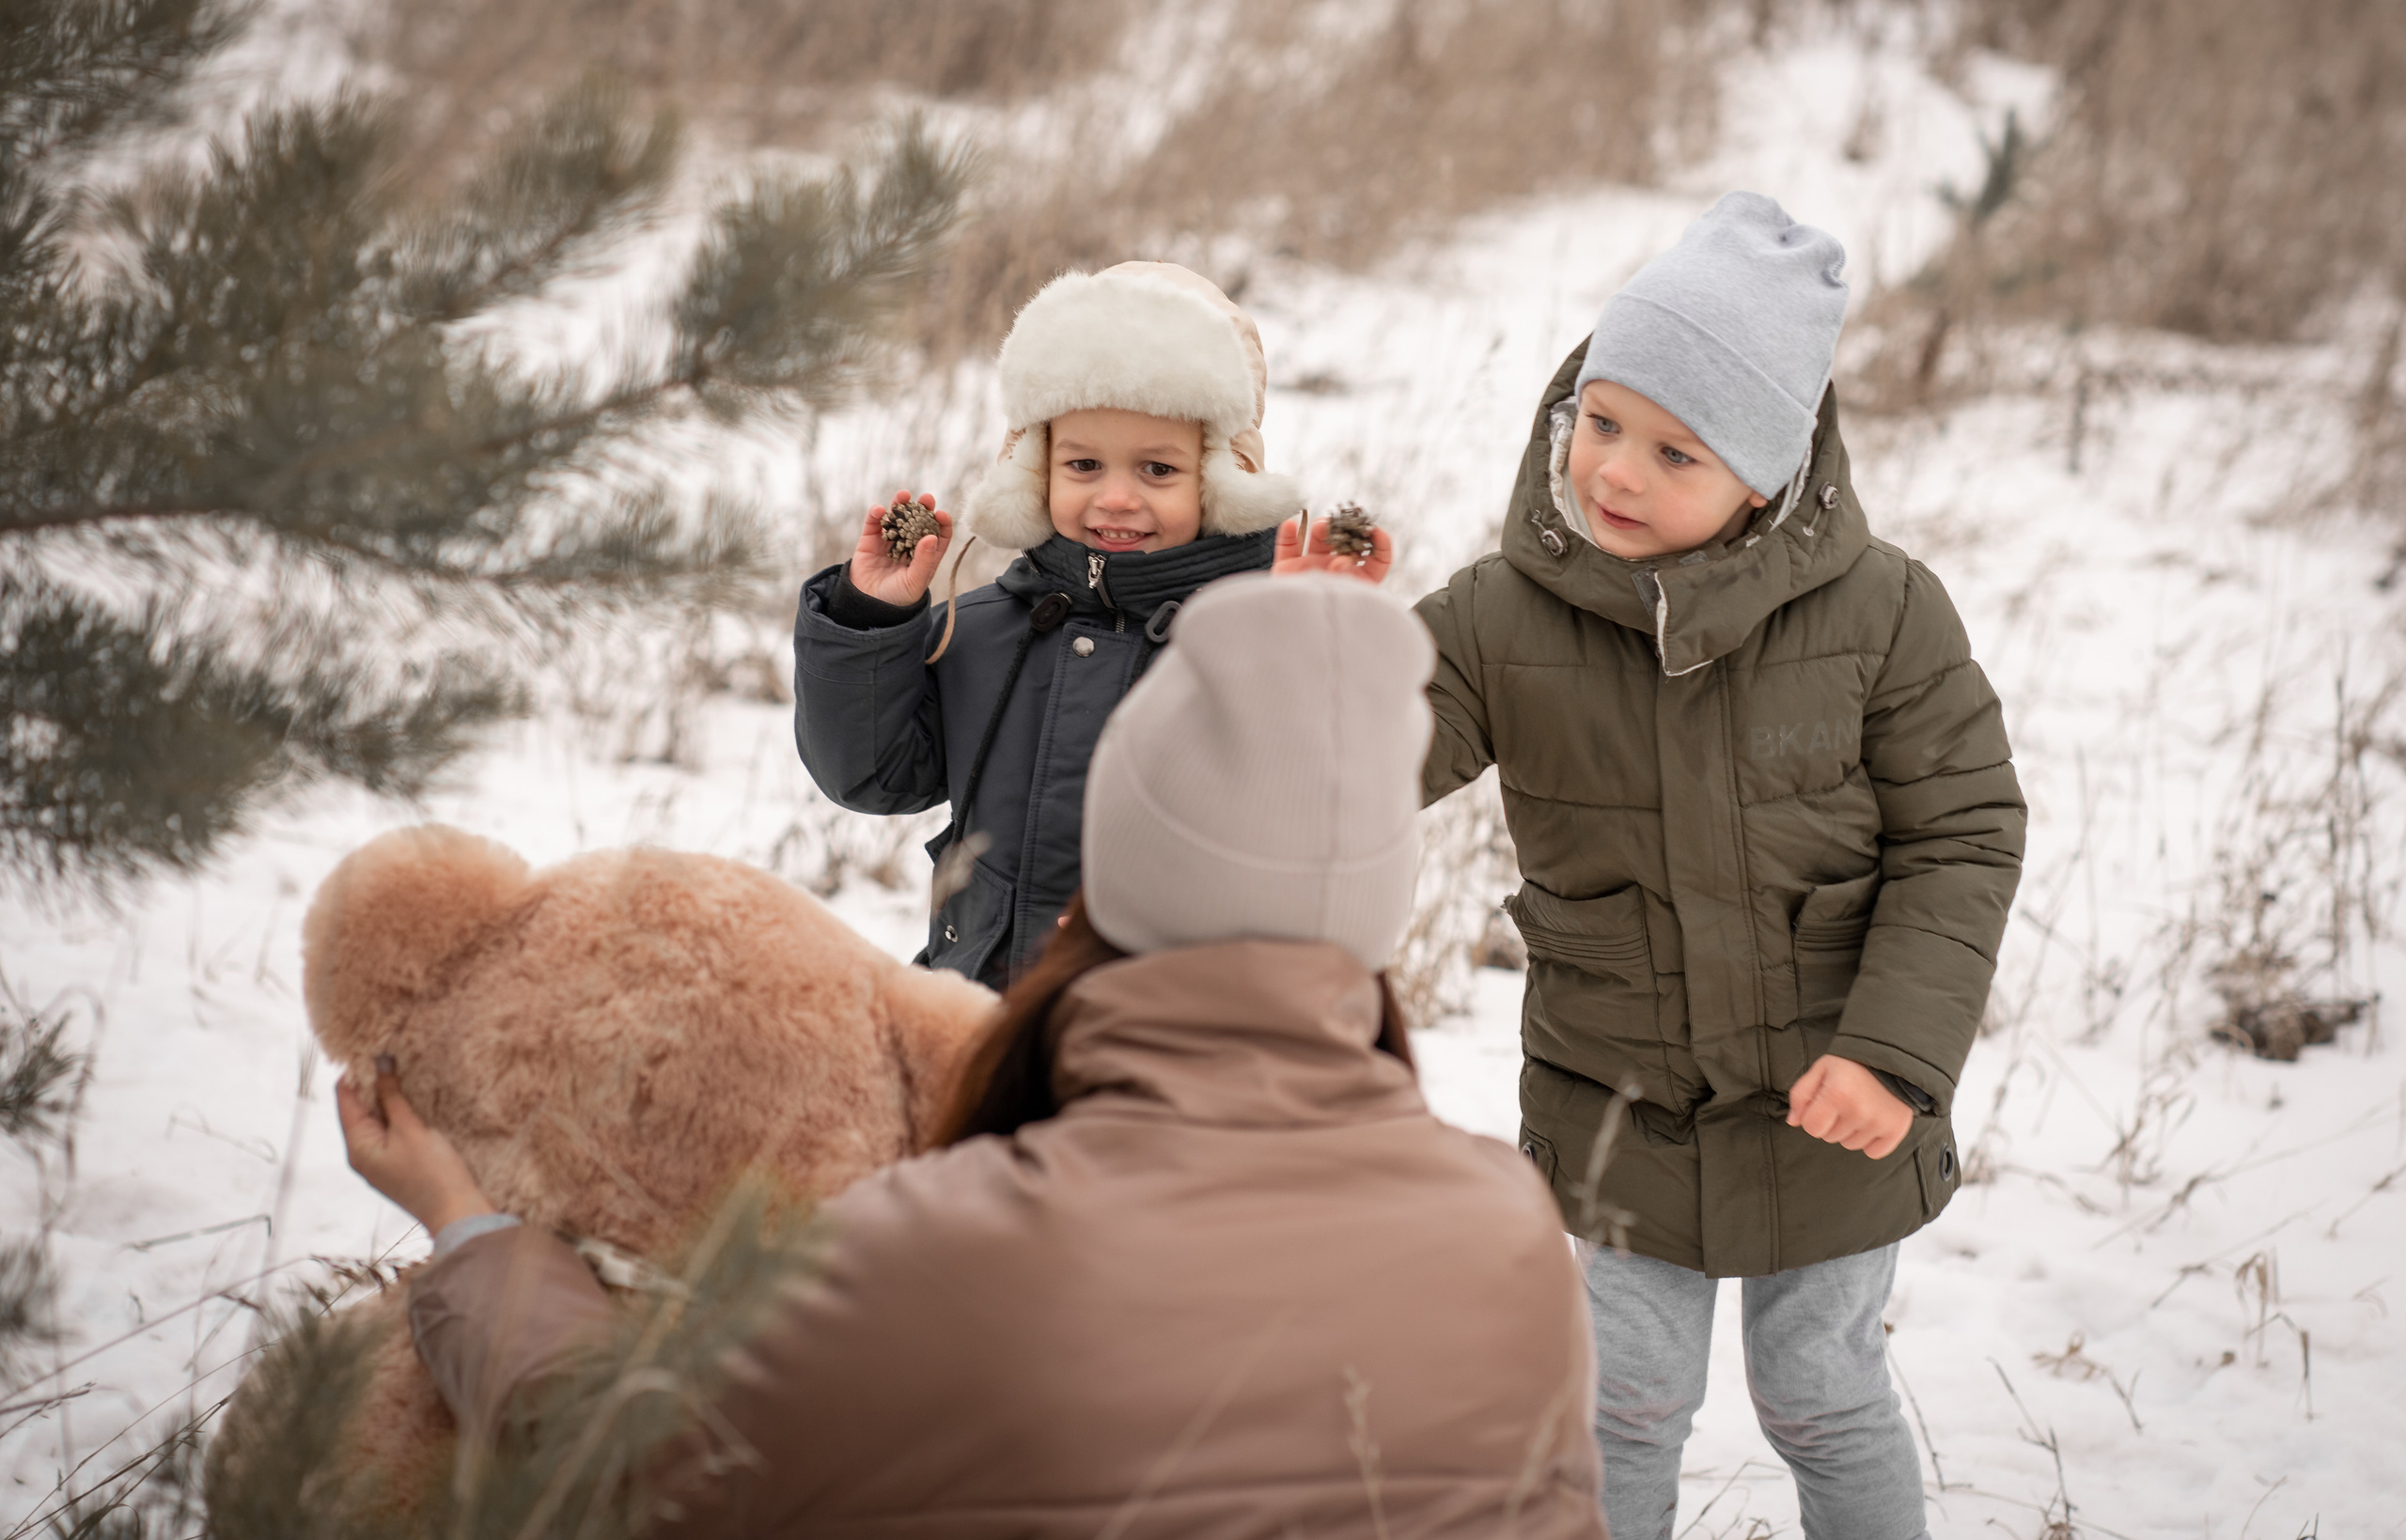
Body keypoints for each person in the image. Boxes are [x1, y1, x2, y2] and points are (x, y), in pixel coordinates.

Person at [340, 571, 1605, 1539]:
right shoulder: (1507, 1230)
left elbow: (631, 1465)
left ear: (1094, 899)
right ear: (1371, 935)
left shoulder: (948, 1242)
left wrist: (469, 1232)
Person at [1413, 193, 2026, 1540]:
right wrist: (1314, 650)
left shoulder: (1884, 615)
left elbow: (1964, 834)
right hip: (1621, 1098)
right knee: (1619, 1399)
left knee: (1819, 1388)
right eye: (1601, 420)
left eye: (1674, 451)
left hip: (1836, 1102)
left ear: (1767, 472)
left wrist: (1897, 1055)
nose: (1615, 471)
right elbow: (1360, 757)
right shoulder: (1497, 617)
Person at [791, 260, 1392, 988]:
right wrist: (870, 621)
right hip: (986, 1016)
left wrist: (1303, 645)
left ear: (1221, 478)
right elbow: (870, 774)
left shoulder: (1241, 645)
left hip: (1168, 1034)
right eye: (1082, 463)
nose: (1115, 498)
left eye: (1158, 471)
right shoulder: (979, 633)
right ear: (1036, 467)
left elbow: (1314, 821)